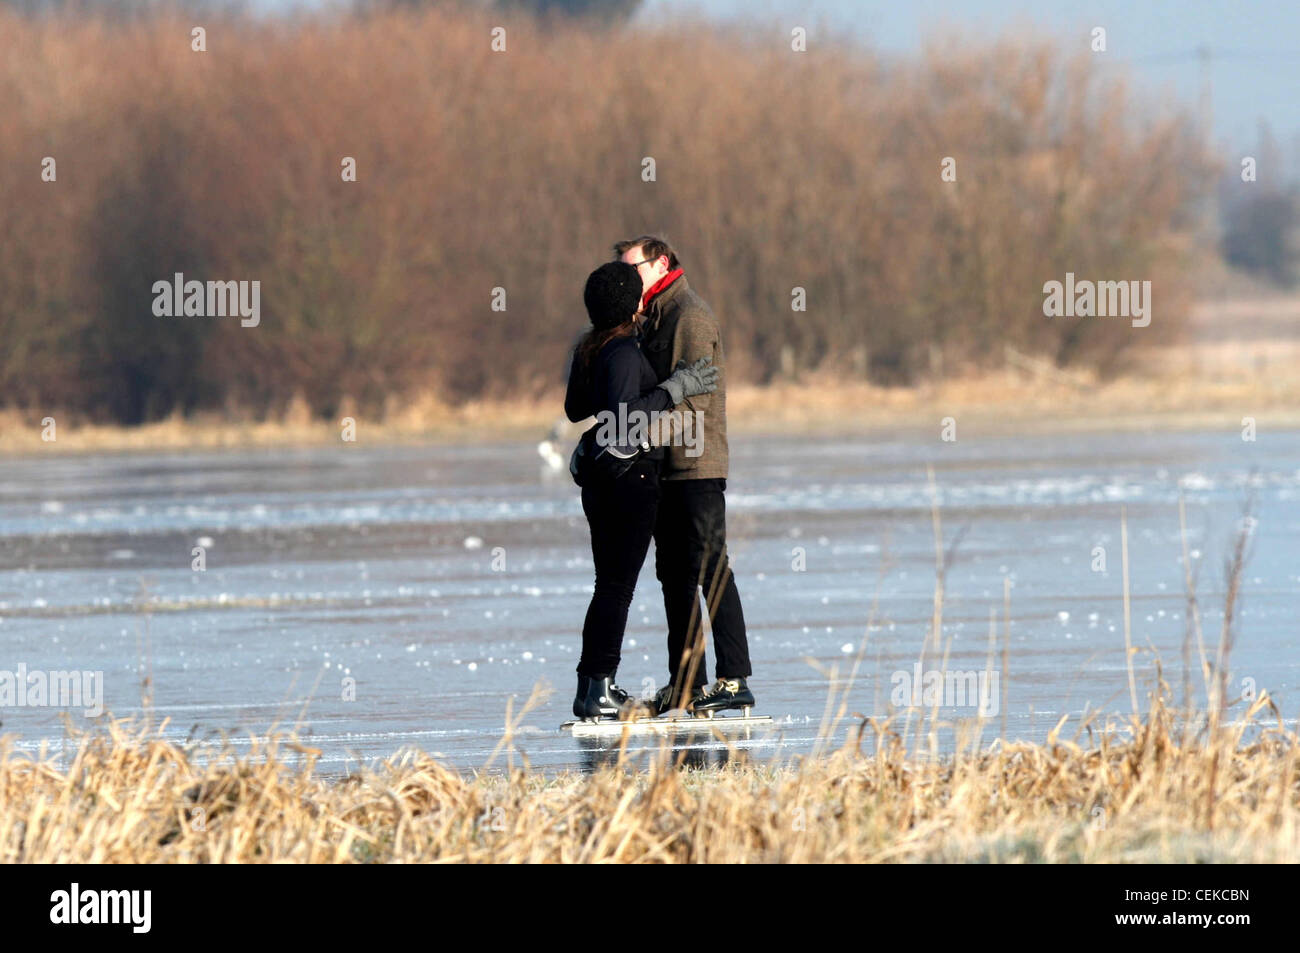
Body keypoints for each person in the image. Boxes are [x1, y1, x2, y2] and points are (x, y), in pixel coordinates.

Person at [564, 261, 719, 720]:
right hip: (627, 481)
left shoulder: (589, 348)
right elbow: (625, 421)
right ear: (633, 304)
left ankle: (592, 685)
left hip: (600, 481)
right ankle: (599, 687)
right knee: (616, 588)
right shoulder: (626, 353)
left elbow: (576, 408)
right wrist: (673, 388)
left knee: (607, 585)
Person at [614, 235, 755, 716]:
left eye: (634, 269)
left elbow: (694, 401)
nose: (628, 278)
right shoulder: (652, 315)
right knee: (674, 575)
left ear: (661, 264)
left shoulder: (688, 315)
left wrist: (638, 436)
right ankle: (687, 682)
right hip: (666, 467)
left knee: (710, 565)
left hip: (696, 465)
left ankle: (733, 679)